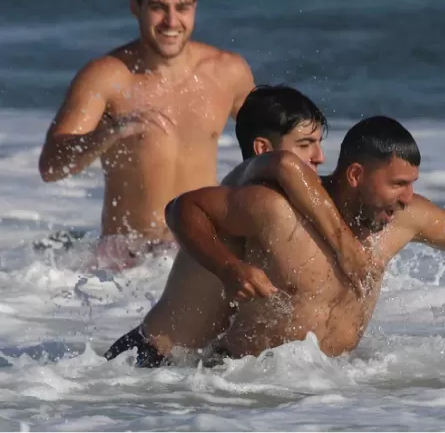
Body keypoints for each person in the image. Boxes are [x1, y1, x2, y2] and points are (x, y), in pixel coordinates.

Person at [167, 115, 445, 364]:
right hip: (245, 392)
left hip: (337, 396)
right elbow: (183, 209)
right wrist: (228, 267)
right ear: (356, 174)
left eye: (412, 183)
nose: (407, 196)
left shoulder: (404, 218)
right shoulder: (277, 210)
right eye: (398, 184)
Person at [103, 84, 372, 367]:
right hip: (149, 359)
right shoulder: (243, 181)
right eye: (305, 144)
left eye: (319, 143)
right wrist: (346, 248)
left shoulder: (275, 202)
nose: (319, 157)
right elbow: (178, 208)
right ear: (262, 149)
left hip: (188, 370)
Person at [38, 0, 255, 269]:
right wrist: (111, 131)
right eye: (157, 7)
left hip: (201, 255)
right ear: (134, 7)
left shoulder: (228, 72)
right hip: (126, 264)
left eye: (182, 8)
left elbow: (270, 143)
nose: (171, 21)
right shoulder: (108, 77)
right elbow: (51, 167)